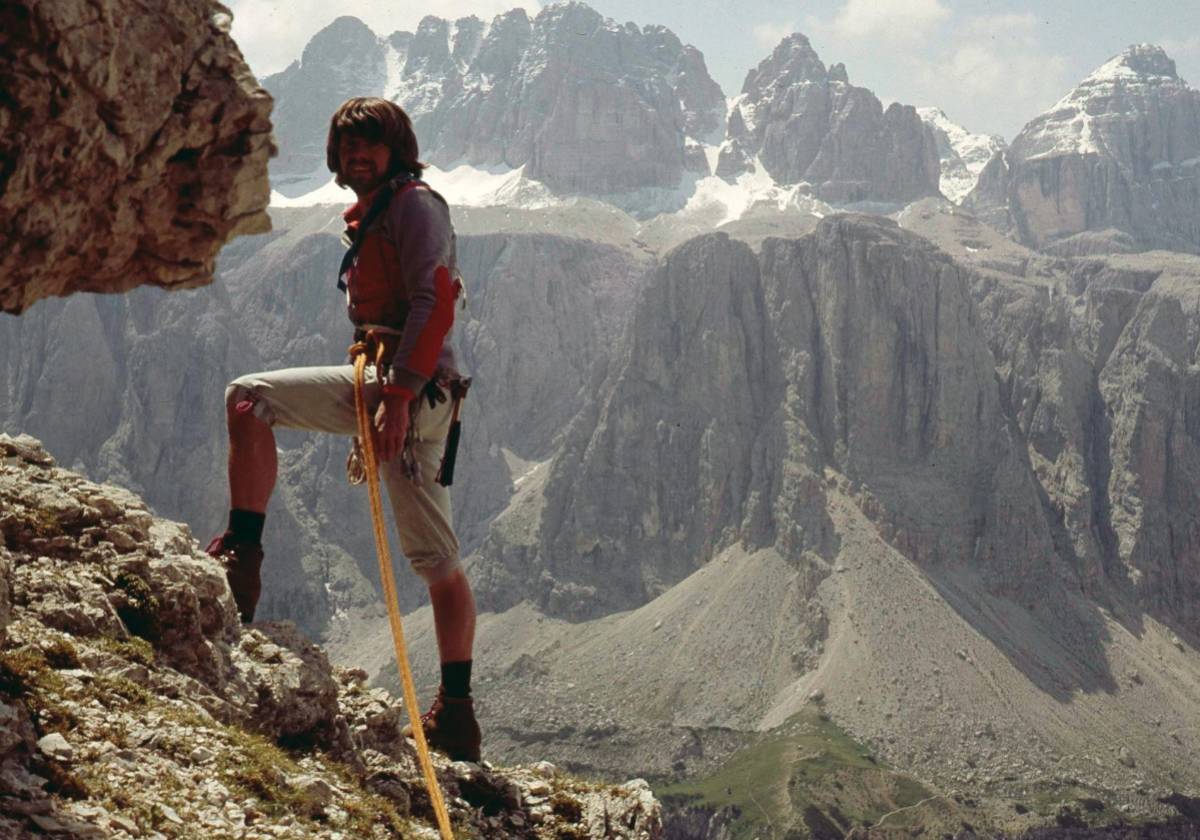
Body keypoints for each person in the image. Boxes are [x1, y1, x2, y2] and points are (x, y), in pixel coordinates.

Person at [205, 97, 481, 763]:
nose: (358, 156)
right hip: (396, 386)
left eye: (371, 146)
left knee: (250, 400)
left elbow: (432, 301)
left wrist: (396, 398)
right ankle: (458, 714)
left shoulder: (414, 206)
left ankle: (244, 558)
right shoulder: (384, 210)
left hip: (406, 390)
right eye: (348, 147)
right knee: (250, 402)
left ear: (394, 150)